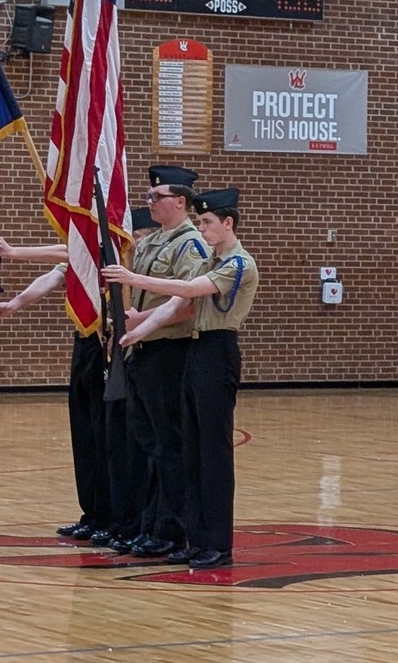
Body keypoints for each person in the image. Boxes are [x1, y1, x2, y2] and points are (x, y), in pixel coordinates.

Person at [103, 187, 258, 570]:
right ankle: (196, 537)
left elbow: (188, 290)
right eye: (200, 221)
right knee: (191, 452)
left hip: (218, 351)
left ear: (228, 223)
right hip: (195, 349)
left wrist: (130, 278)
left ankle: (218, 544)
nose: (201, 227)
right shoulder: (211, 260)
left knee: (214, 454)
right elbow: (176, 304)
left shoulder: (239, 263)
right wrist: (138, 332)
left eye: (206, 222)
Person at [0, 238, 111, 541]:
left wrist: (12, 252)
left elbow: (71, 251)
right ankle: (92, 513)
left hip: (109, 341)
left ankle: (111, 515)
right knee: (84, 432)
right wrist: (15, 304)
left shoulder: (112, 243)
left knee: (104, 436)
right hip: (85, 339)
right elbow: (55, 275)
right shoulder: (85, 242)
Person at [117, 165, 208, 559]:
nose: (150, 202)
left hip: (169, 351)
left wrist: (144, 322)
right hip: (143, 349)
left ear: (181, 202)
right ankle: (152, 523)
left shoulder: (190, 245)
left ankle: (172, 530)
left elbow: (188, 302)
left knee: (169, 444)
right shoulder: (152, 241)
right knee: (149, 442)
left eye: (158, 197)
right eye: (149, 196)